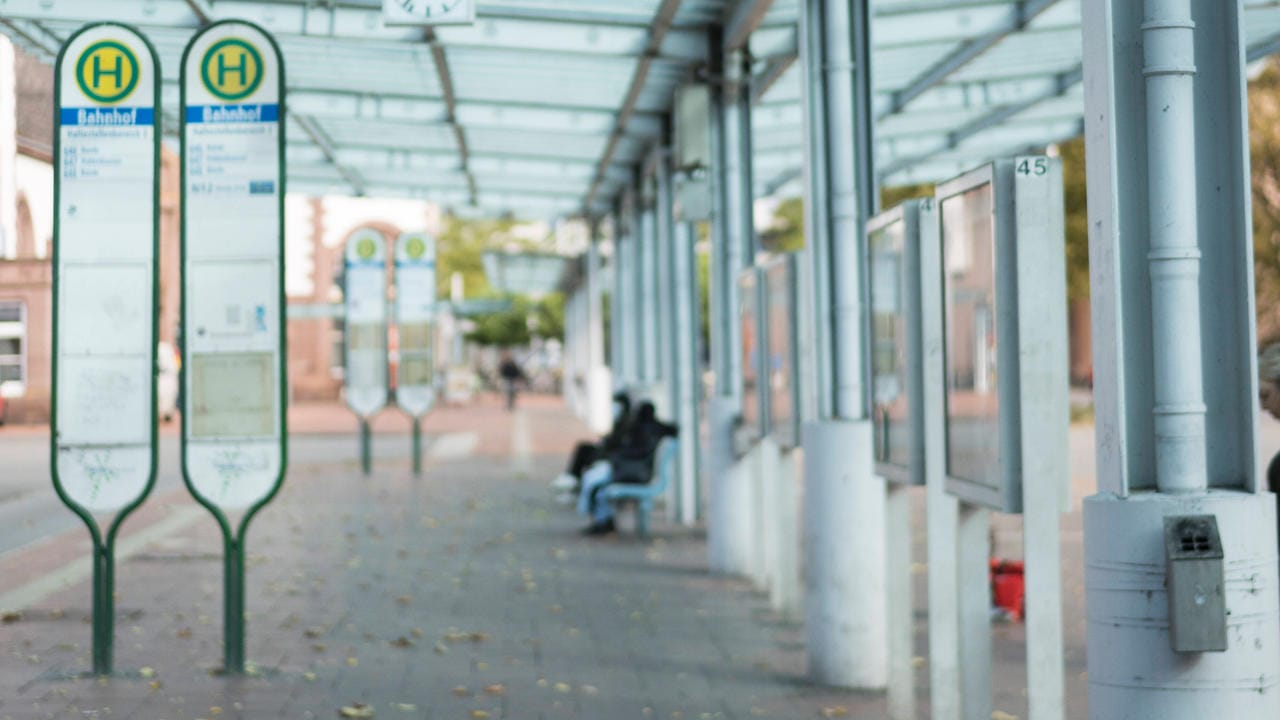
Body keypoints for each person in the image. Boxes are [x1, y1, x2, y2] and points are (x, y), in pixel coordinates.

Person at [577, 401, 677, 536]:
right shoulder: (653, 429)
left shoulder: (642, 430)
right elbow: (673, 429)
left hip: (632, 473)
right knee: (596, 478)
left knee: (595, 481)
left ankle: (603, 521)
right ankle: (603, 520)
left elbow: (632, 451)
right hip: (636, 471)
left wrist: (613, 458)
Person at [550, 391, 633, 503]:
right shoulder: (620, 421)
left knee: (586, 454)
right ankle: (571, 478)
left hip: (612, 457)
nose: (614, 408)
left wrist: (606, 442)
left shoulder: (628, 423)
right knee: (583, 447)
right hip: (609, 453)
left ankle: (572, 480)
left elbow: (618, 443)